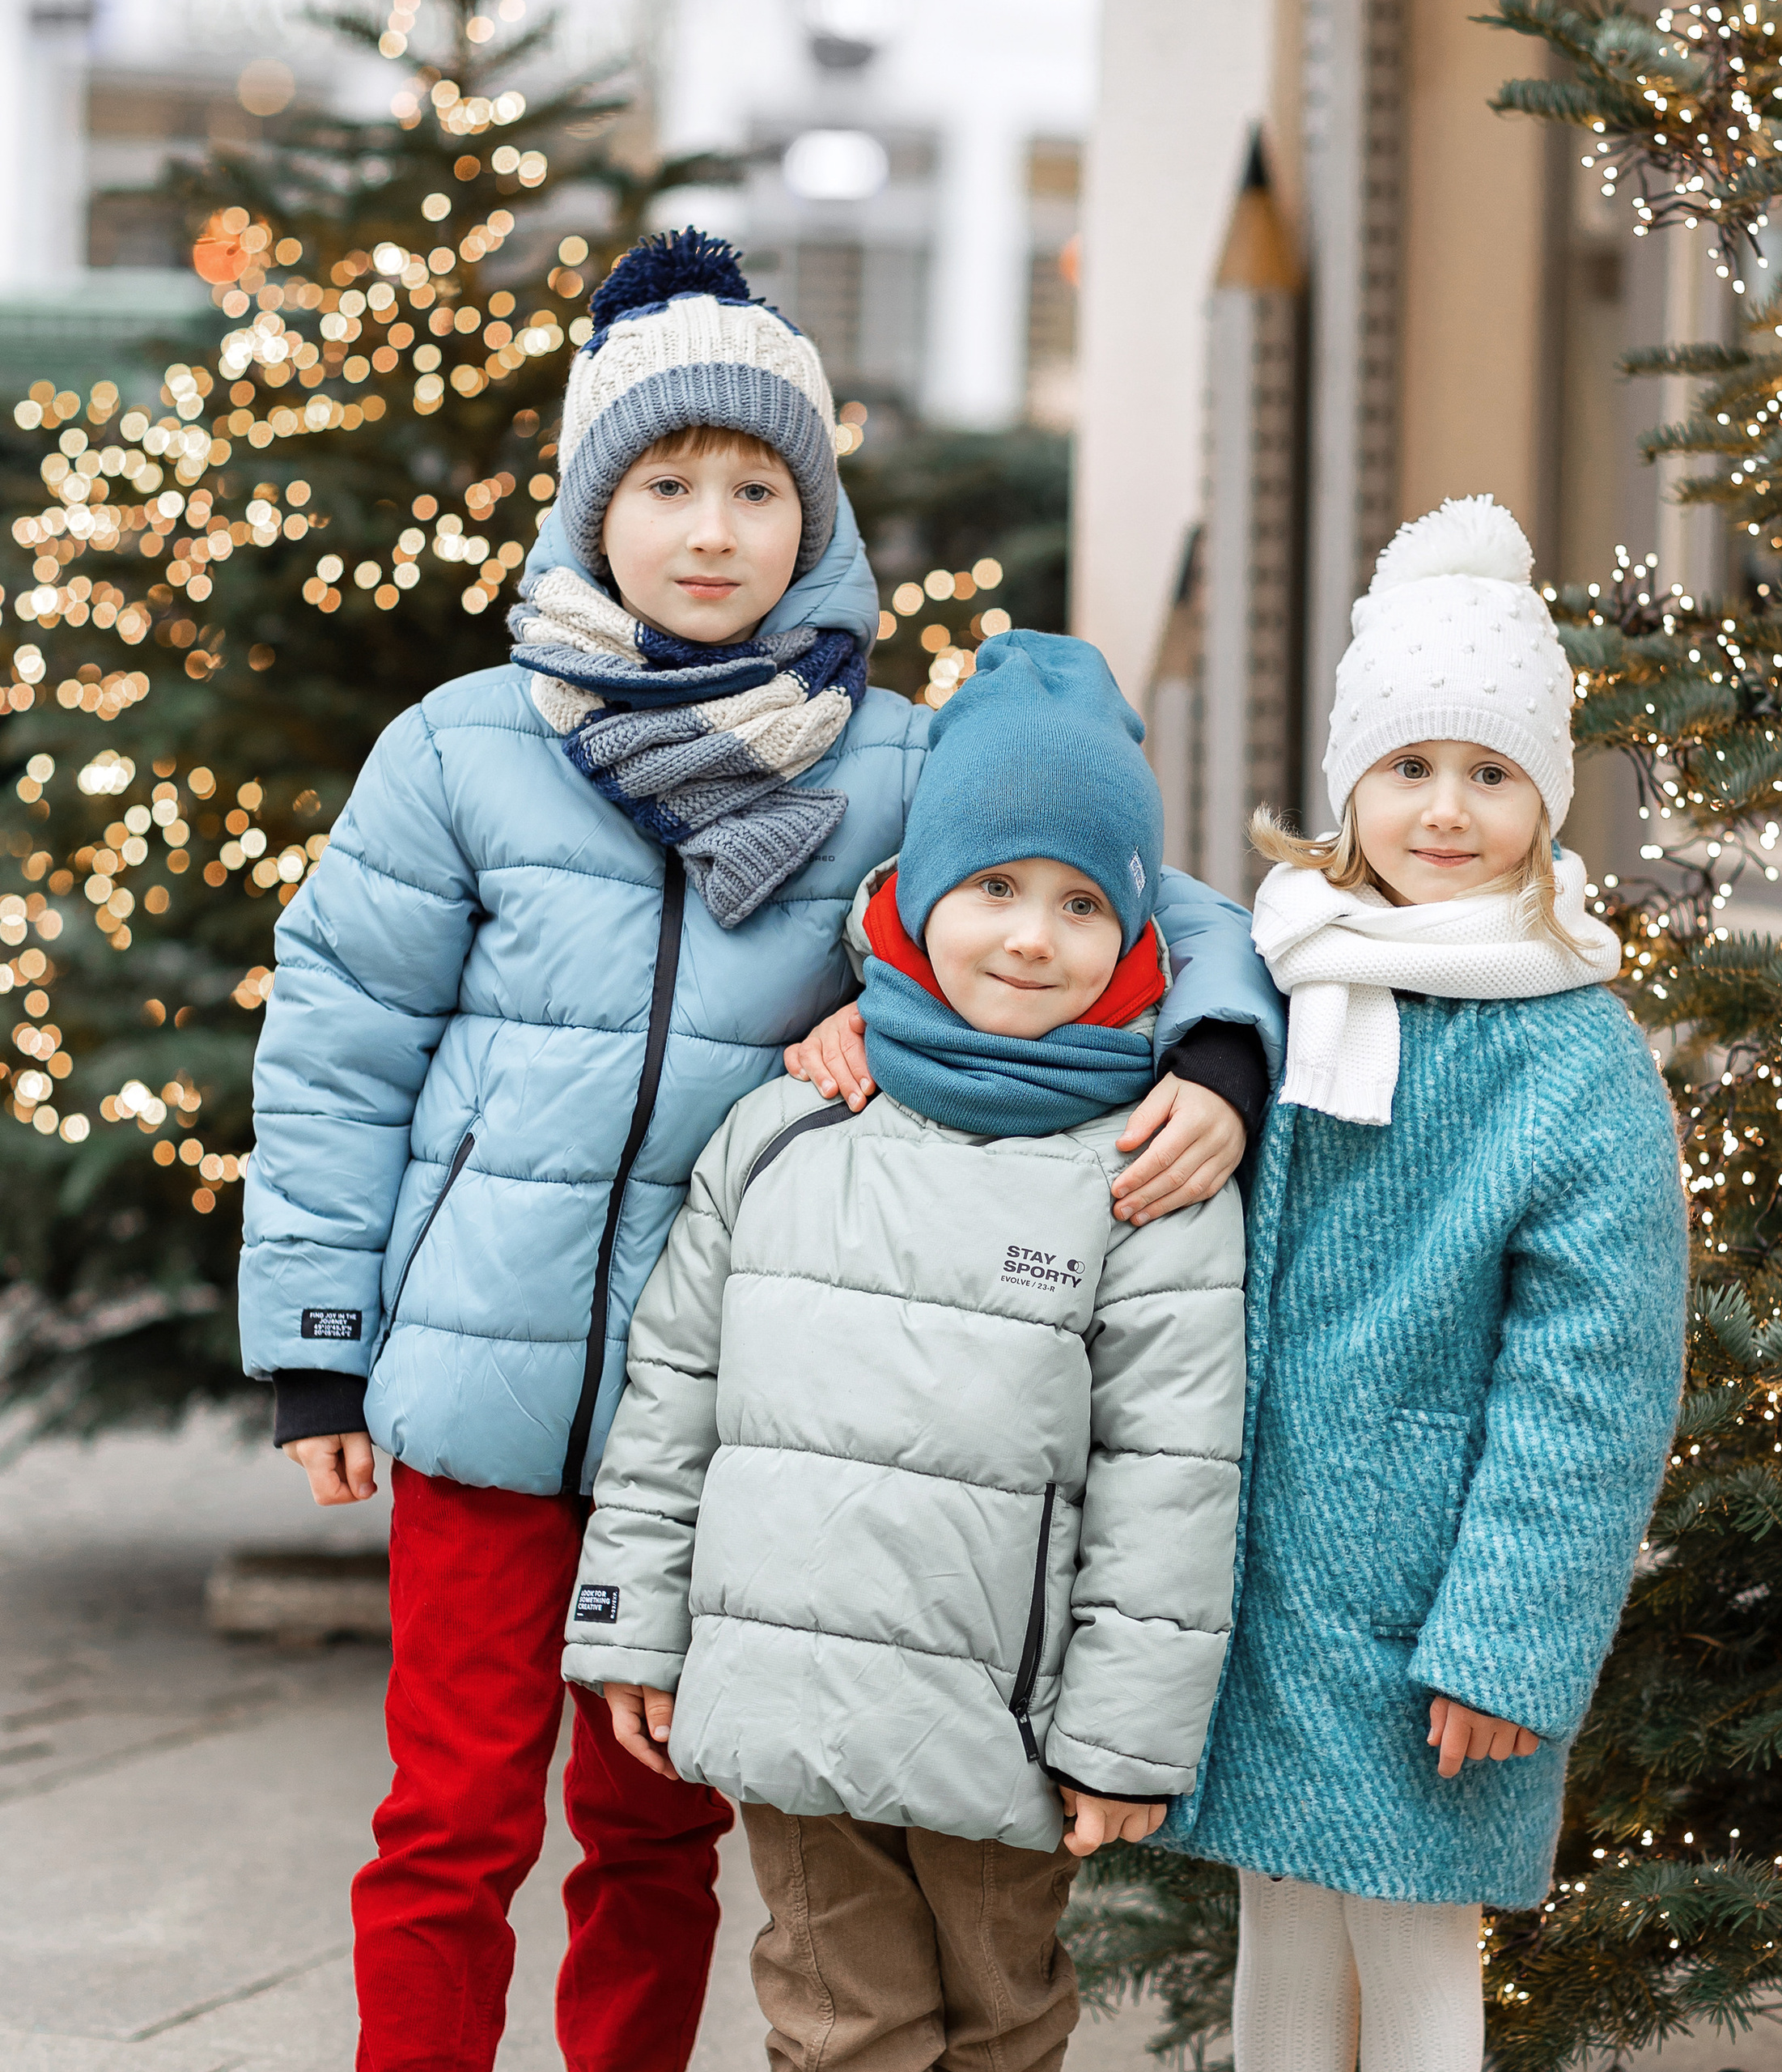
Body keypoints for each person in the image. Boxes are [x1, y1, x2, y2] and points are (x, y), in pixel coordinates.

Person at [238, 228, 1282, 2072]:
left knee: (655, 1825)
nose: (710, 531)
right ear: (593, 505)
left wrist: (1215, 1047)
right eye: (665, 485)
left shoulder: (891, 765)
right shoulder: (462, 750)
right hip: (480, 1382)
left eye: (754, 489)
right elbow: (338, 1045)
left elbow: (1146, 893)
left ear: (816, 520)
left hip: (732, 1410)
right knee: (451, 1818)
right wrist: (320, 1340)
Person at [562, 630, 1258, 2072]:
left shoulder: (1148, 1172)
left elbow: (1171, 1473)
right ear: (916, 892)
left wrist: (1124, 1738)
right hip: (788, 1699)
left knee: (1003, 2025)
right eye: (993, 887)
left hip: (1001, 1725)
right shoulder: (787, 1128)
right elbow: (672, 1400)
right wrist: (631, 1622)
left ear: (1137, 931)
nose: (1030, 937)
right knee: (841, 2025)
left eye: (1081, 903)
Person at [1164, 496, 1688, 2072]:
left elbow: (1594, 1376)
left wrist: (1508, 1637)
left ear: (1545, 794)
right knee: (1278, 1921)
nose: (1444, 809)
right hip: (1256, 1573)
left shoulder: (1572, 1052)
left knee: (1407, 1942)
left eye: (1488, 772)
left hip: (1426, 1601)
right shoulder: (1280, 973)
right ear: (1350, 783)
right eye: (1407, 766)